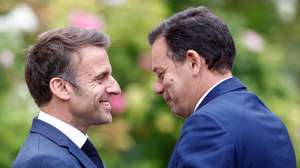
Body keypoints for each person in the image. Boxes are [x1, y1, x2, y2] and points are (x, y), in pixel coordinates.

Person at [148, 6, 296, 168]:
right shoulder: (272, 123)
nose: (157, 88)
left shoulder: (207, 124)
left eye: (161, 74)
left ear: (193, 62)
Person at [13, 27, 121, 168]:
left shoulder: (66, 150)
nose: (116, 89)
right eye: (100, 78)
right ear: (61, 88)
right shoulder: (45, 162)